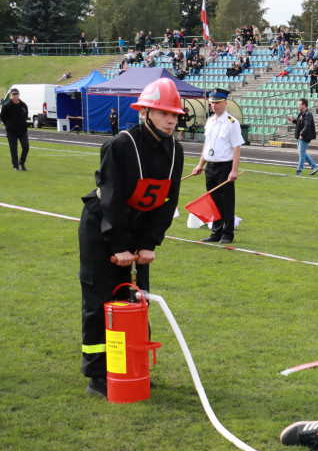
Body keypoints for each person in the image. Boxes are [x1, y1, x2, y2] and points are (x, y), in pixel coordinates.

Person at [78, 78, 184, 398]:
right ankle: (98, 373)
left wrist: (149, 242)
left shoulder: (175, 151)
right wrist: (120, 245)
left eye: (175, 115)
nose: (171, 120)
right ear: (147, 112)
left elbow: (168, 200)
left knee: (137, 301)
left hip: (138, 231)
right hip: (102, 228)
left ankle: (133, 365)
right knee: (101, 301)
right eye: (165, 113)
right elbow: (110, 198)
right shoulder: (121, 144)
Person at [190, 88, 243, 245]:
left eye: (217, 103)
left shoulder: (232, 123)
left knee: (226, 202)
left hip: (224, 167)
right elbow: (207, 145)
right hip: (210, 168)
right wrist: (200, 164)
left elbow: (236, 147)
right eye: (212, 103)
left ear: (225, 103)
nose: (214, 105)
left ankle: (227, 233)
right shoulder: (210, 121)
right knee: (213, 202)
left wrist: (234, 170)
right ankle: (216, 231)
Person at [286, 98, 318, 176]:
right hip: (300, 136)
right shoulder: (301, 113)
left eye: (300, 104)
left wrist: (302, 134)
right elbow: (299, 123)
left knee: (302, 154)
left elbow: (307, 126)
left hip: (304, 137)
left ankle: (299, 170)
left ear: (304, 105)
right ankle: (314, 166)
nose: (299, 106)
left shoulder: (308, 114)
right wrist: (292, 120)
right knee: (302, 153)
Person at [1, 88, 29, 171]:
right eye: (13, 94)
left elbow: (25, 116)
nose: (15, 96)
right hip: (11, 130)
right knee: (13, 148)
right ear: (10, 95)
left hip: (22, 130)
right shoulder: (6, 106)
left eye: (16, 94)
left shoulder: (23, 105)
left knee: (26, 146)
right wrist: (9, 125)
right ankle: (15, 166)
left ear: (19, 94)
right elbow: (2, 117)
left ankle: (22, 162)